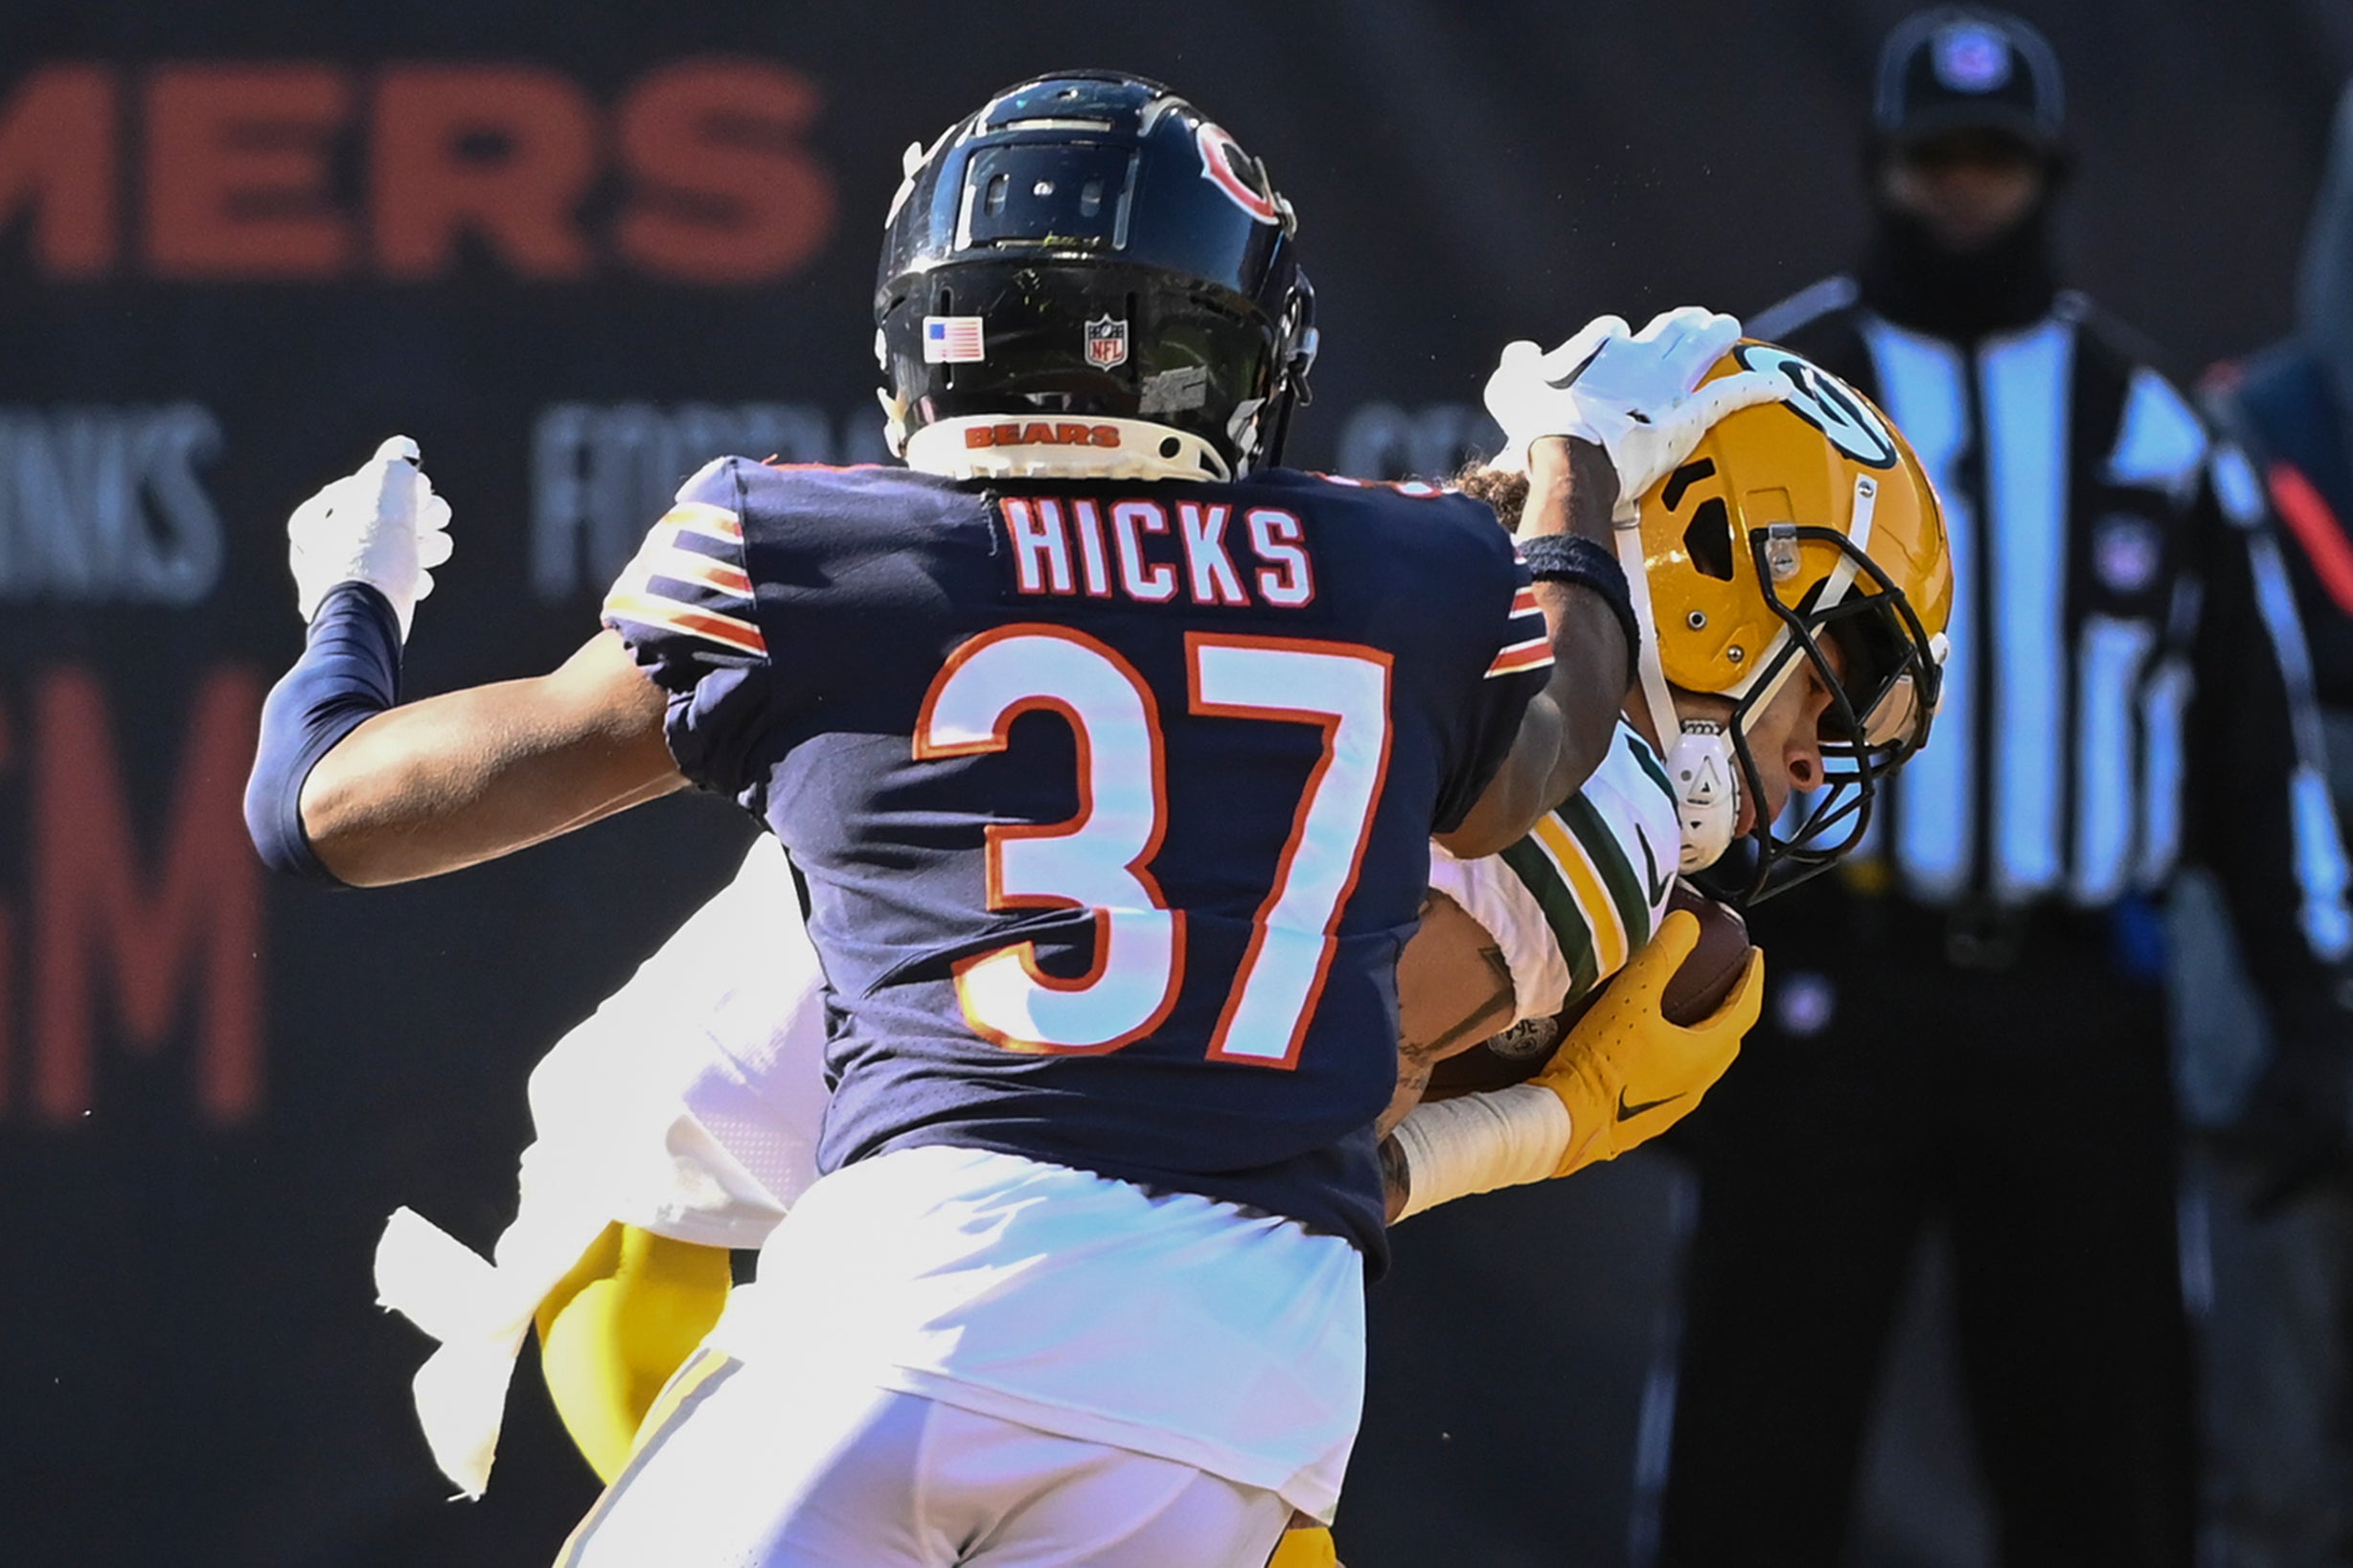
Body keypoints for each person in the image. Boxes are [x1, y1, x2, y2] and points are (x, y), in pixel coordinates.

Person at [245, 71, 1793, 1567]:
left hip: (918, 1291)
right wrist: (1581, 456)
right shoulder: (1395, 572)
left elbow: (331, 815)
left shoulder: (798, 547)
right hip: (1247, 1391)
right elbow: (1552, 739)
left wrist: (350, 599)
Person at [1649, 11, 2353, 1567]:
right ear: (1881, 165)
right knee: (1751, 1446)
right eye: (1937, 157)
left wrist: (2315, 1005)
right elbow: (1647, 697)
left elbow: (2256, 750)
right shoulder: (1768, 394)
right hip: (1824, 993)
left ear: (2050, 172)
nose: (1966, 191)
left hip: (2072, 1009)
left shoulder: (2153, 431)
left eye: (1996, 159)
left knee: (2106, 1467)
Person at [2192, 76, 2353, 1568]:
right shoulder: (2254, 441)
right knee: (2278, 1477)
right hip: (2296, 1040)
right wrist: (2272, 1030)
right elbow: (2224, 777)